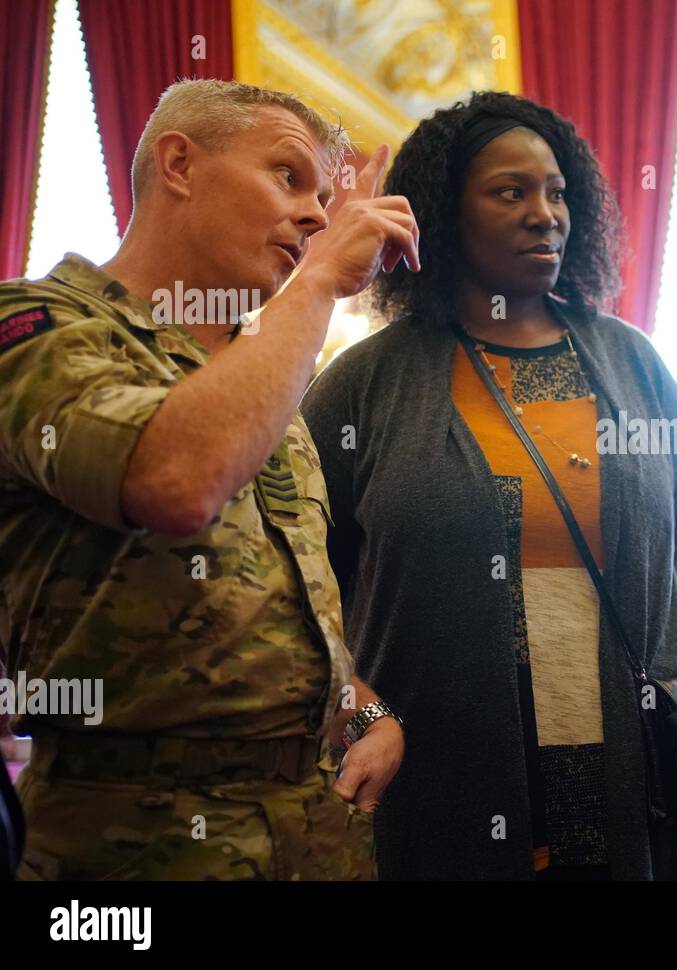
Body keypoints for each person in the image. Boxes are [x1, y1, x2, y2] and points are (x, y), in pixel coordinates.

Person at [302, 91, 677, 880]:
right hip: (442, 760)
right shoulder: (365, 384)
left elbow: (667, 542)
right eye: (510, 192)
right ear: (443, 212)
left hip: (637, 759)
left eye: (557, 193)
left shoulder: (635, 365)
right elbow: (309, 578)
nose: (545, 214)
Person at [0, 79, 414, 879]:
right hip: (130, 842)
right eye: (288, 177)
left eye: (327, 198)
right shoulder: (40, 330)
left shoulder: (260, 374)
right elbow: (176, 482)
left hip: (313, 830)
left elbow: (270, 612)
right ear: (180, 165)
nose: (318, 216)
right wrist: (322, 281)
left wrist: (366, 710)